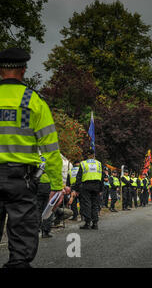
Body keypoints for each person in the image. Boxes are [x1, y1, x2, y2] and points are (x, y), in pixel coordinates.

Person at [0, 48, 64, 268]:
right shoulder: (34, 102)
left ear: (0, 71)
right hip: (22, 180)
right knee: (22, 241)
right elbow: (51, 150)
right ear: (24, 69)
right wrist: (57, 185)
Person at [73, 149, 103, 230]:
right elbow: (102, 177)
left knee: (87, 204)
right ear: (93, 155)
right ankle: (95, 223)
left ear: (87, 155)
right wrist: (101, 189)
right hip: (96, 185)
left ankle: (87, 223)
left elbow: (78, 177)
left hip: (86, 186)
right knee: (95, 204)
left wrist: (76, 189)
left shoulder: (83, 163)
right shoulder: (99, 163)